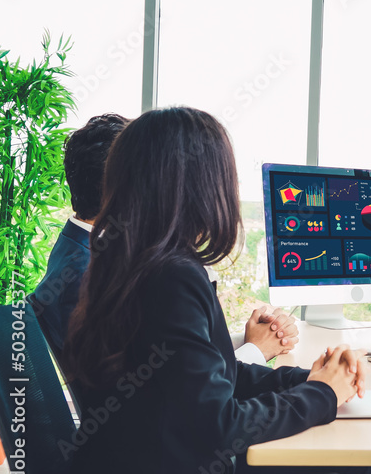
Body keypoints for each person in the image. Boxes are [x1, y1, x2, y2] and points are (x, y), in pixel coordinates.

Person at [61, 107, 371, 474]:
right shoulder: (171, 276)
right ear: (202, 186)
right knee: (348, 470)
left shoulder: (125, 260)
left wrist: (307, 379)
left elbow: (210, 377)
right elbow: (218, 425)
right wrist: (322, 395)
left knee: (350, 465)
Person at [29, 113, 297, 366]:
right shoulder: (86, 277)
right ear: (123, 186)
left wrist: (252, 340)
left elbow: (171, 357)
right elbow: (164, 393)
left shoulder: (81, 250)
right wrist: (257, 351)